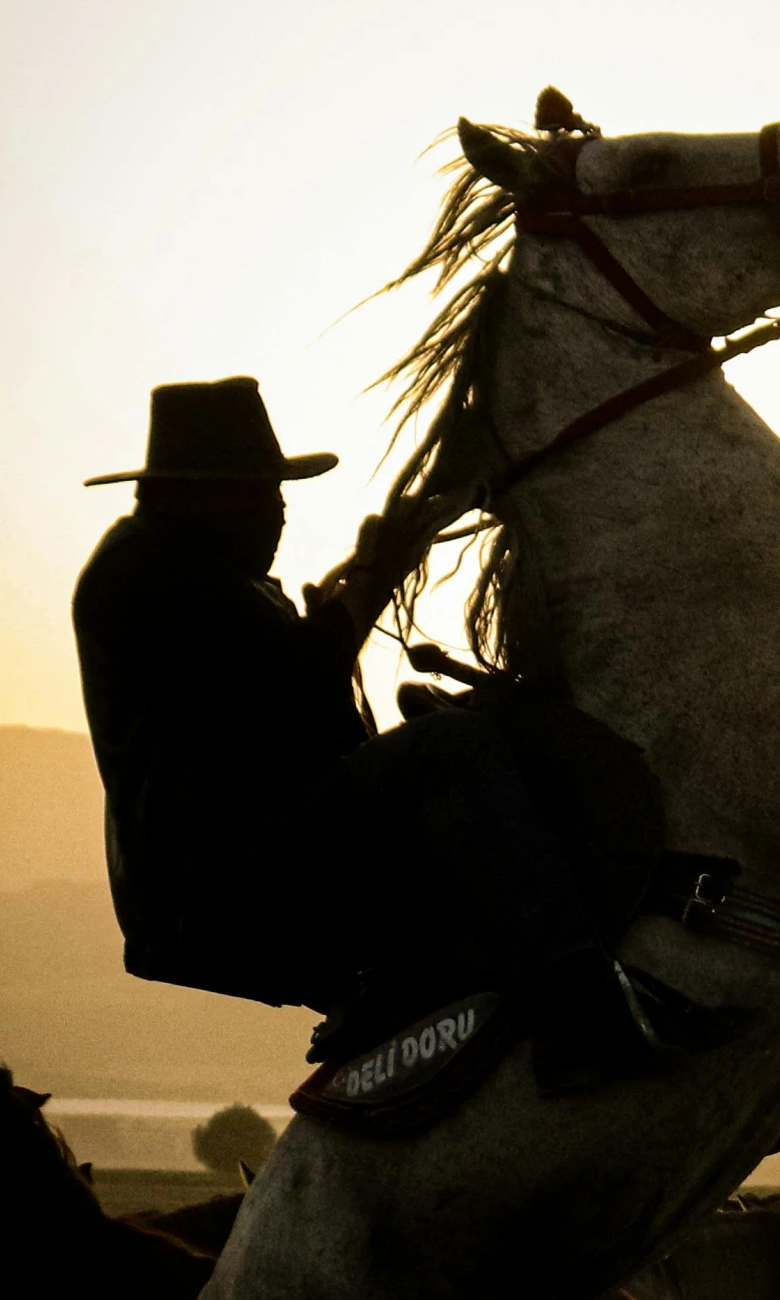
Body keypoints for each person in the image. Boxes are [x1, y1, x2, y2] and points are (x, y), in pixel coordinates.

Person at [72, 377, 743, 1089]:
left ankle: (593, 977)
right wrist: (372, 578)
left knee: (467, 739)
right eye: (270, 497)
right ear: (216, 498)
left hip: (246, 853)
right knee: (449, 750)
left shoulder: (204, 576)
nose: (281, 517)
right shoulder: (147, 574)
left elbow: (280, 709)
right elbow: (300, 681)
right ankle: (580, 1012)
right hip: (219, 884)